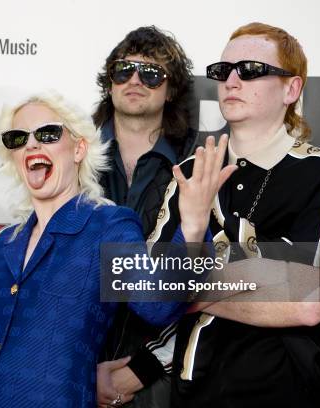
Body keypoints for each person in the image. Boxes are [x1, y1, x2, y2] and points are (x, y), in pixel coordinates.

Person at [0, 92, 235, 407]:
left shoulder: (106, 226)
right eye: (19, 138)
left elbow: (157, 305)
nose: (32, 145)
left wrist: (192, 226)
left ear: (78, 148)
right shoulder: (8, 243)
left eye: (48, 134)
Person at [150, 22, 320, 407]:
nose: (232, 81)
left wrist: (190, 280)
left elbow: (309, 300)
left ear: (291, 89)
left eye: (251, 70)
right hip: (195, 396)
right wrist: (263, 274)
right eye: (223, 71)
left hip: (290, 395)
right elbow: (148, 291)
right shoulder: (190, 172)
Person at [94, 26, 196, 407]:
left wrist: (142, 369)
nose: (135, 80)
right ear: (110, 82)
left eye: (151, 73)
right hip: (73, 370)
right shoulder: (72, 159)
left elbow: (203, 280)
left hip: (157, 379)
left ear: (170, 91)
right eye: (124, 70)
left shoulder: (196, 168)